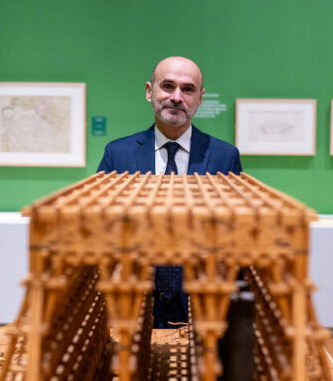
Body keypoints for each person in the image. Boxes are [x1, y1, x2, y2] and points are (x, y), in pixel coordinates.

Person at [97, 56, 243, 328]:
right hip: (132, 300)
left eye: (187, 89)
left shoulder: (225, 156)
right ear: (149, 92)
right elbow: (97, 227)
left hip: (201, 302)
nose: (176, 97)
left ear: (200, 99)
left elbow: (235, 235)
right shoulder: (118, 154)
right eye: (167, 86)